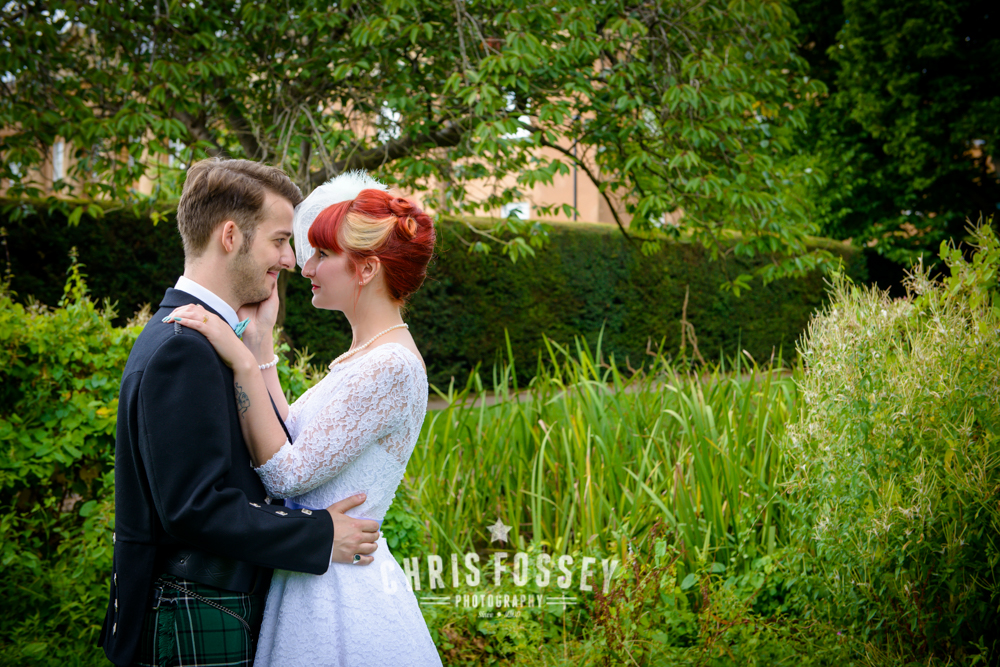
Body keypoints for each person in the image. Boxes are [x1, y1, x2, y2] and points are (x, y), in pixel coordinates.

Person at [100, 159, 381, 667]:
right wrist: (318, 533)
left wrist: (256, 345)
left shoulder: (203, 337)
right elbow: (195, 508)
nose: (291, 261)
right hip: (196, 606)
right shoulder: (182, 347)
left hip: (207, 601)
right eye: (279, 240)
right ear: (230, 235)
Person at [164, 171, 442, 666]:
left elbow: (288, 473)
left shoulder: (390, 366)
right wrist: (261, 342)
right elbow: (292, 439)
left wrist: (243, 363)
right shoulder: (366, 354)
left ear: (366, 269)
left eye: (322, 254)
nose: (304, 265)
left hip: (338, 595)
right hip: (313, 570)